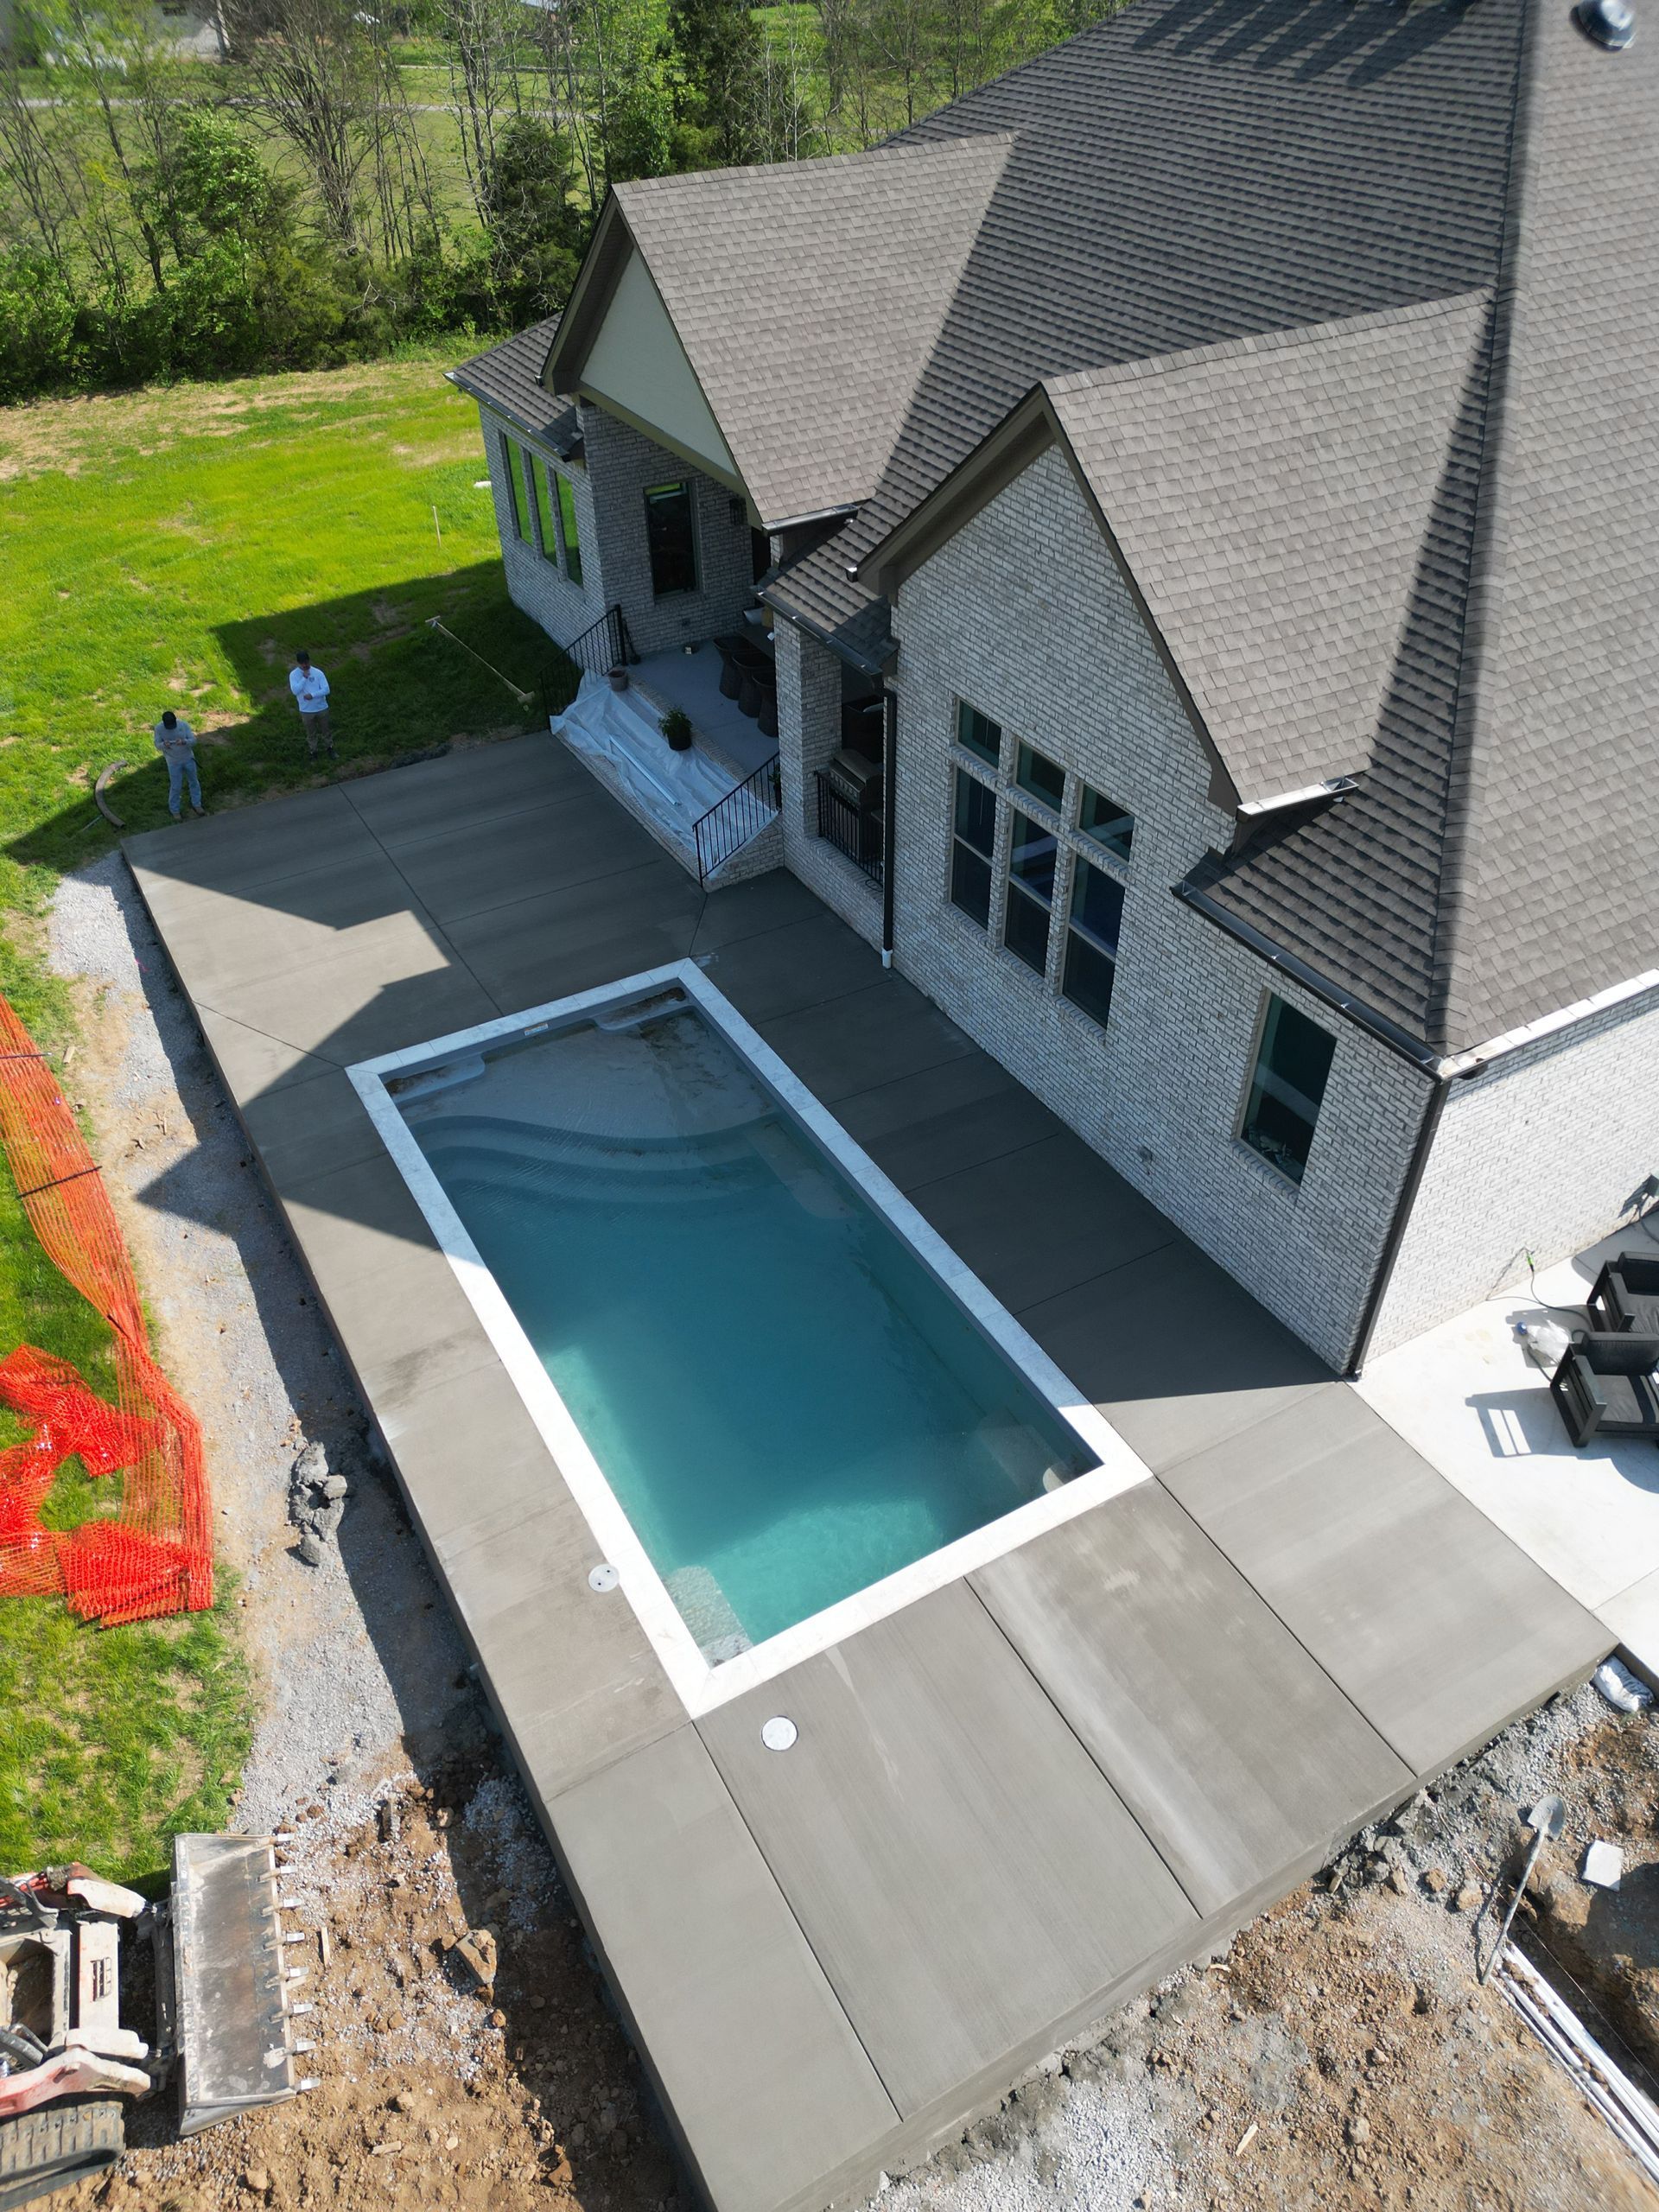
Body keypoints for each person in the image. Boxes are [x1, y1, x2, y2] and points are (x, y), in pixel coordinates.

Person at [152, 709, 203, 820]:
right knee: (176, 786)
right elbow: (157, 744)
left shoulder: (183, 725)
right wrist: (163, 745)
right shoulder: (159, 728)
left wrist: (185, 741)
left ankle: (197, 804)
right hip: (173, 762)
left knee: (194, 781)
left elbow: (193, 740)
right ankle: (175, 810)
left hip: (188, 758)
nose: (171, 728)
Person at [289, 651, 336, 759]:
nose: (305, 665)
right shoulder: (294, 675)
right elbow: (295, 691)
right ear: (298, 663)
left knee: (326, 731)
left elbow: (326, 689)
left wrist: (313, 695)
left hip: (321, 708)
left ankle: (330, 749)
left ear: (309, 661)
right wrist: (304, 678)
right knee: (311, 734)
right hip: (306, 710)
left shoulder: (318, 673)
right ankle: (313, 752)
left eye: (306, 663)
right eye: (302, 664)